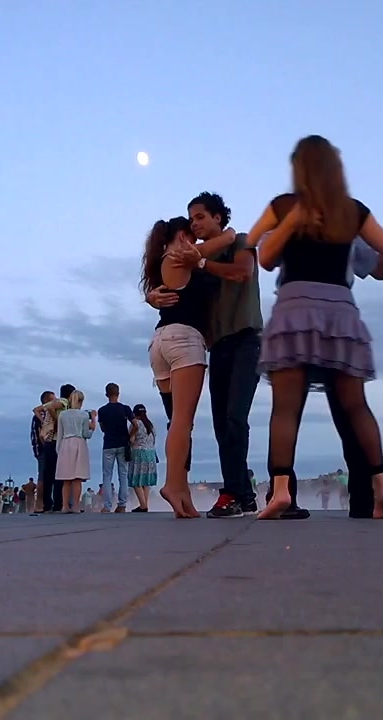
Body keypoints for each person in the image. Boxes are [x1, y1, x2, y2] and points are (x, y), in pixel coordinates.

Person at [245, 134, 383, 519]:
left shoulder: (284, 206)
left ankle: (280, 491)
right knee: (356, 405)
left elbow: (265, 257)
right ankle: (382, 486)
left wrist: (291, 222)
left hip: (295, 309)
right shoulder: (352, 212)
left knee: (285, 408)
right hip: (340, 311)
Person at [149, 193, 263, 518]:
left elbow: (242, 272)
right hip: (217, 345)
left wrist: (200, 262)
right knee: (219, 422)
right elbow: (178, 289)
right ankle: (243, 494)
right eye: (191, 219)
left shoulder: (238, 241)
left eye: (200, 217)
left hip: (246, 338)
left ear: (217, 217)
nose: (195, 224)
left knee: (235, 417)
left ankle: (234, 491)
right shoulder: (193, 259)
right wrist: (152, 296)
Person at [140, 216, 236, 517]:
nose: (195, 244)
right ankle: (172, 485)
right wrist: (229, 233)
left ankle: (181, 493)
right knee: (183, 422)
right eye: (191, 237)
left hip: (160, 342)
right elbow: (225, 240)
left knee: (177, 423)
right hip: (183, 340)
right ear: (181, 236)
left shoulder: (164, 262)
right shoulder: (179, 256)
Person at [55, 390, 96, 513]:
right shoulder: (84, 415)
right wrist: (93, 424)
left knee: (66, 479)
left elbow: (60, 434)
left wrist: (59, 449)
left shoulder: (63, 415)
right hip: (79, 444)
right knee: (77, 478)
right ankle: (76, 506)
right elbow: (86, 434)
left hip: (65, 444)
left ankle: (64, 506)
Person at [97, 383, 134, 513]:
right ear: (118, 394)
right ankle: (122, 504)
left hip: (108, 444)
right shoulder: (125, 409)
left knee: (107, 475)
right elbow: (135, 424)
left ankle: (107, 506)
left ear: (106, 394)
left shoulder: (102, 410)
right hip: (123, 444)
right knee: (123, 475)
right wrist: (129, 436)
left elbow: (102, 428)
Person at [127, 403, 158, 512]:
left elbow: (131, 440)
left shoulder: (135, 424)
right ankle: (144, 504)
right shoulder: (150, 425)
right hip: (151, 454)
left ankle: (143, 505)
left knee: (136, 480)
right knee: (145, 481)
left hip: (138, 453)